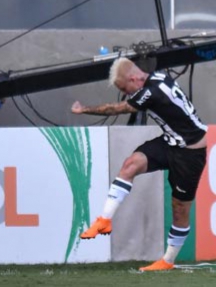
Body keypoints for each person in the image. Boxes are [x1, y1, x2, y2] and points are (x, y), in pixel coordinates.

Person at [72, 58, 208, 272]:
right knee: (131, 164)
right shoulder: (157, 77)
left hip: (190, 154)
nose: (128, 94)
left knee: (180, 209)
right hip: (171, 142)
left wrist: (84, 110)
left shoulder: (150, 92)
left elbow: (119, 108)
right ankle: (104, 220)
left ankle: (167, 261)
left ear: (134, 78)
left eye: (126, 89)